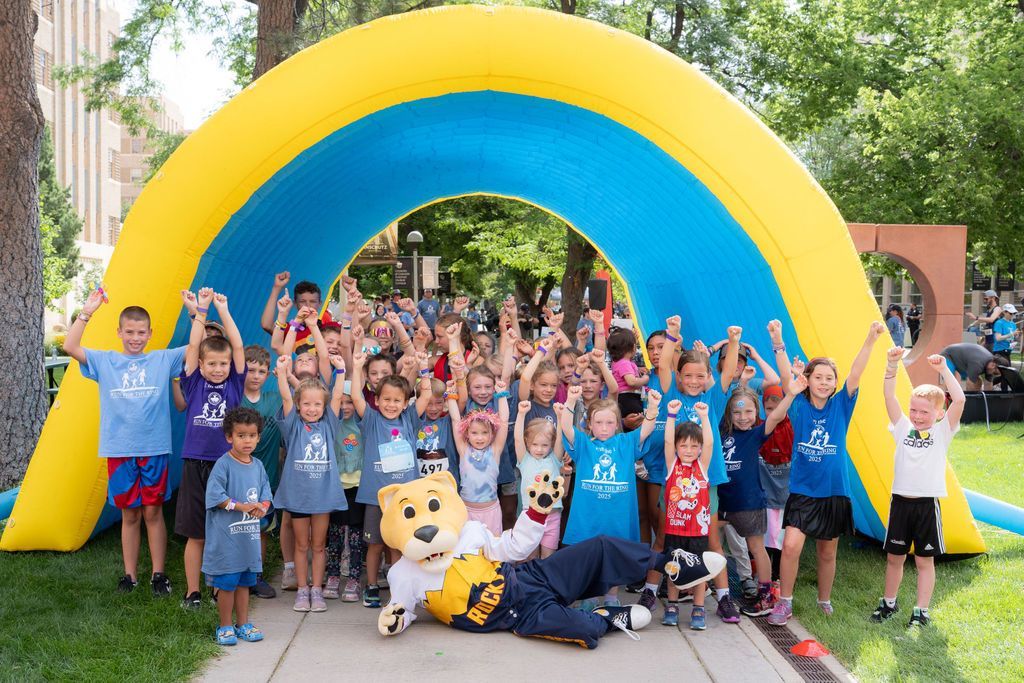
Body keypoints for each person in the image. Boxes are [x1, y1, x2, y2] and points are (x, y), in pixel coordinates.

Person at [63, 288, 186, 596]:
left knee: (153, 512)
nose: (135, 337)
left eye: (141, 332)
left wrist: (198, 313)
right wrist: (87, 311)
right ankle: (129, 576)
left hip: (154, 448)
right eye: (129, 332)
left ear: (150, 333)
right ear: (119, 332)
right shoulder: (106, 362)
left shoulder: (162, 359)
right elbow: (70, 345)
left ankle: (159, 575)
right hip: (119, 450)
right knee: (130, 514)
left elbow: (196, 348)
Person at [766, 319, 885, 626]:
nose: (823, 381)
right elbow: (783, 375)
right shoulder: (799, 406)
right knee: (790, 545)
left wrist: (870, 339)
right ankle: (785, 602)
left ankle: (824, 600)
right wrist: (778, 340)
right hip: (804, 491)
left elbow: (856, 373)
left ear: (835, 383)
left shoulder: (841, 406)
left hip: (834, 492)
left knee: (827, 552)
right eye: (817, 376)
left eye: (829, 378)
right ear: (808, 380)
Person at [871, 351, 965, 628]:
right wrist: (890, 365)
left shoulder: (942, 432)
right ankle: (888, 603)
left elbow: (959, 399)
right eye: (914, 410)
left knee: (925, 562)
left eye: (925, 412)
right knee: (894, 558)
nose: (917, 416)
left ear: (938, 413)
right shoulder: (902, 427)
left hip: (926, 506)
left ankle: (920, 611)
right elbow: (889, 397)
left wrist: (944, 370)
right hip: (900, 503)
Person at [560, 384, 662, 609]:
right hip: (589, 517)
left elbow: (646, 430)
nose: (604, 427)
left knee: (614, 559)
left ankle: (611, 598)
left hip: (617, 517)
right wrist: (570, 401)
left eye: (609, 422)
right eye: (598, 422)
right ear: (589, 424)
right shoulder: (584, 444)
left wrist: (653, 408)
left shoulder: (625, 443)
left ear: (617, 424)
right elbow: (566, 427)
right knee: (589, 559)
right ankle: (588, 598)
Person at [177, 288, 247, 610]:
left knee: (225, 529)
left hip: (226, 465)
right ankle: (193, 591)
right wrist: (201, 312)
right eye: (213, 364)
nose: (219, 369)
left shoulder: (234, 383)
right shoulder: (193, 381)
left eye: (224, 364)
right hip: (195, 462)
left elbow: (238, 345)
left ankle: (222, 585)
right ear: (201, 365)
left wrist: (225, 310)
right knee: (197, 532)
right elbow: (193, 345)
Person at [350, 347, 434, 608]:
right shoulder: (372, 420)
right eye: (385, 399)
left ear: (405, 402)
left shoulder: (410, 419)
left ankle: (398, 587)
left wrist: (424, 367)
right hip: (377, 498)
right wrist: (357, 366)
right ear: (377, 400)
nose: (390, 404)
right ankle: (372, 585)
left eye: (397, 400)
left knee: (398, 546)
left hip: (404, 498)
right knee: (374, 544)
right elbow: (354, 395)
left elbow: (427, 393)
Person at [273, 353, 349, 613]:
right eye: (306, 404)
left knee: (318, 545)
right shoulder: (293, 425)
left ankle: (317, 589)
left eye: (318, 404)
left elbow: (337, 397)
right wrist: (282, 372)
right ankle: (302, 589)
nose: (312, 409)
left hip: (323, 496)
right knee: (301, 545)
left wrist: (341, 372)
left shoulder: (329, 425)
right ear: (298, 405)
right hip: (298, 496)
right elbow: (285, 396)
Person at [203, 407, 272, 646]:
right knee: (227, 583)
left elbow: (266, 494)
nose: (247, 440)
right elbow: (215, 496)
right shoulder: (223, 465)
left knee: (245, 583)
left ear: (258, 437)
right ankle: (224, 625)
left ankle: (242, 623)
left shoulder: (258, 466)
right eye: (241, 435)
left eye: (252, 435)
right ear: (229, 437)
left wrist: (261, 506)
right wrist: (242, 507)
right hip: (226, 540)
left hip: (248, 540)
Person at [717, 387, 789, 618]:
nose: (742, 417)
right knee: (709, 542)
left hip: (749, 504)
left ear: (756, 412)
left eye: (748, 411)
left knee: (756, 548)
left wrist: (792, 394)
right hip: (721, 503)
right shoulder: (722, 432)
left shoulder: (757, 433)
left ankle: (766, 596)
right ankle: (712, 588)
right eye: (737, 413)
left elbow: (776, 416)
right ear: (729, 414)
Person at [645, 400, 713, 629]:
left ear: (700, 449)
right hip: (674, 529)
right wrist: (671, 415)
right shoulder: (673, 465)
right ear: (676, 447)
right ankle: (672, 605)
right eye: (684, 446)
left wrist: (704, 417)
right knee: (673, 569)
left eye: (694, 447)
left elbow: (710, 443)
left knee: (699, 571)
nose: (689, 451)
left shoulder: (701, 467)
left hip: (697, 532)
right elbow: (666, 440)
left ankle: (698, 609)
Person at [240, 345, 283, 599]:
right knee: (238, 528)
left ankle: (257, 575)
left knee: (262, 529)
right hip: (239, 479)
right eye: (250, 369)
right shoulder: (236, 397)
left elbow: (292, 394)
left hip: (266, 478)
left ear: (268, 375)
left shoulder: (273, 399)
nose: (255, 375)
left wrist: (284, 373)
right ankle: (236, 574)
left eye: (262, 371)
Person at [447, 381, 511, 534]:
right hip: (466, 511)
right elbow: (456, 420)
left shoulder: (495, 450)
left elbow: (503, 422)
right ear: (467, 434)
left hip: (491, 512)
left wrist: (501, 395)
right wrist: (450, 395)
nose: (480, 438)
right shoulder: (464, 450)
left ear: (492, 434)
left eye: (484, 433)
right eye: (474, 433)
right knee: (469, 553)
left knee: (491, 554)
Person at [325, 385, 366, 602]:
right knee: (335, 535)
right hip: (337, 487)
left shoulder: (362, 426)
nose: (344, 407)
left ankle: (354, 578)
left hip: (359, 486)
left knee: (357, 536)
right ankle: (332, 576)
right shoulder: (332, 426)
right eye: (340, 402)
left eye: (349, 402)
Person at [515, 407, 567, 559]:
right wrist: (521, 414)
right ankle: (530, 582)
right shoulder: (524, 459)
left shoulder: (554, 459)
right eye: (535, 444)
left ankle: (546, 583)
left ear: (551, 444)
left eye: (544, 445)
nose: (539, 449)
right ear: (527, 442)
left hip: (552, 517)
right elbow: (517, 438)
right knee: (531, 558)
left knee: (548, 558)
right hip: (530, 516)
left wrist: (559, 415)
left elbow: (559, 439)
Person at [758, 384, 793, 589]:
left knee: (780, 534)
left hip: (784, 492)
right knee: (767, 533)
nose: (774, 413)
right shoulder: (762, 428)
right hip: (767, 492)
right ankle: (767, 572)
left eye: (777, 407)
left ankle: (778, 574)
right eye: (769, 409)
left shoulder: (787, 427)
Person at [608, 328, 648, 425]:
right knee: (638, 422)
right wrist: (644, 379)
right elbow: (631, 382)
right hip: (628, 399)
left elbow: (625, 373)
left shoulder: (618, 362)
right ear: (634, 347)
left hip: (623, 398)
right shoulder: (624, 363)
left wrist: (638, 370)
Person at [939, 342, 1003, 391]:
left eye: (995, 374)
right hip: (948, 355)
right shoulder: (978, 364)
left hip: (963, 360)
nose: (993, 373)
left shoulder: (991, 365)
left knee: (977, 382)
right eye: (994, 372)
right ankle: (939, 403)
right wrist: (971, 400)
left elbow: (988, 385)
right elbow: (970, 384)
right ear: (993, 364)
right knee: (949, 382)